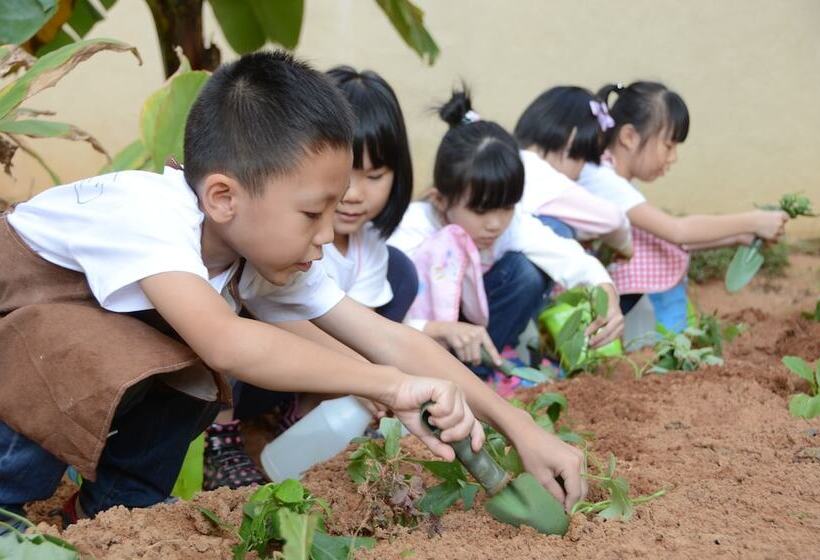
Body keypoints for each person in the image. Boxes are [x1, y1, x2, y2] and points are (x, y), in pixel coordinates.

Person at [0, 52, 585, 530]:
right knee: (92, 346)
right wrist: (391, 387)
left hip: (50, 347)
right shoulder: (148, 214)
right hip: (19, 328)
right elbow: (229, 342)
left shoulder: (252, 248)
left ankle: (115, 516)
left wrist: (523, 430)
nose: (328, 235)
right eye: (312, 212)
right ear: (225, 197)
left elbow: (389, 339)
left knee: (185, 366)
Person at [203, 66, 420, 490]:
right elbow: (272, 320)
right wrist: (371, 376)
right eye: (342, 178)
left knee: (402, 276)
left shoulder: (370, 250)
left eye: (374, 177)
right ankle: (221, 440)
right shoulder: (276, 238)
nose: (354, 194)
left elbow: (363, 331)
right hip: (248, 374)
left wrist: (371, 379)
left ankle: (299, 418)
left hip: (308, 374)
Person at [389, 88, 624, 379]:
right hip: (412, 343)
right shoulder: (410, 232)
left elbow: (570, 258)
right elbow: (377, 319)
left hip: (473, 337)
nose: (495, 224)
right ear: (440, 200)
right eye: (481, 210)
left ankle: (478, 373)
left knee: (527, 272)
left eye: (507, 208)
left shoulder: (510, 227)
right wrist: (438, 330)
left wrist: (606, 291)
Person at [578, 81, 788, 317]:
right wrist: (753, 221)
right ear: (629, 137)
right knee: (650, 250)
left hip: (582, 285)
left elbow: (672, 237)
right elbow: (677, 231)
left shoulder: (614, 177)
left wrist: (740, 236)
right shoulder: (604, 180)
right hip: (566, 294)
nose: (673, 158)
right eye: (668, 146)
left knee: (649, 241)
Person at [514, 86, 632, 256]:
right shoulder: (546, 180)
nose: (581, 171)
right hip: (509, 275)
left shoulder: (512, 158)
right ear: (571, 141)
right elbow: (614, 219)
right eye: (584, 159)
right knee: (561, 231)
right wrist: (626, 248)